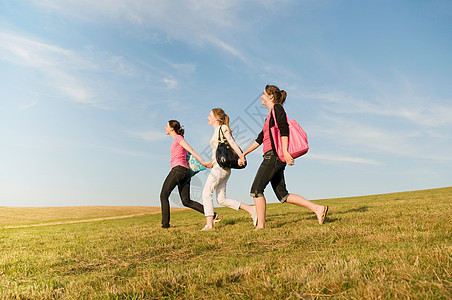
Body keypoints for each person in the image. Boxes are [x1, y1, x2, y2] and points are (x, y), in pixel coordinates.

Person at [238, 85, 328, 230]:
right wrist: (243, 153)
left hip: (273, 156)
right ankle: (318, 209)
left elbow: (284, 129)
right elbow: (260, 138)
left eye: (263, 94)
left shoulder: (277, 109)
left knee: (256, 190)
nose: (261, 96)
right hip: (272, 156)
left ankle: (260, 226)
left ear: (271, 96)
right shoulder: (269, 116)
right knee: (283, 195)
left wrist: (285, 152)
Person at [201, 108, 257, 230]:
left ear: (216, 118)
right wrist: (211, 162)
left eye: (210, 115)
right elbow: (217, 151)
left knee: (206, 192)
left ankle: (210, 225)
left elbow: (232, 142)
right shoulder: (216, 131)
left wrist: (242, 156)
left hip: (220, 168)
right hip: (220, 167)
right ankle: (251, 209)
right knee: (221, 199)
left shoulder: (222, 128)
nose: (207, 117)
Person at [160, 120, 219, 228]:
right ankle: (213, 215)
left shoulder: (178, 138)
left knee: (163, 195)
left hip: (178, 170)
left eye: (166, 126)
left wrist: (203, 162)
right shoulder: (177, 139)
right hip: (185, 172)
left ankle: (165, 225)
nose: (165, 128)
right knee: (186, 201)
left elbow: (191, 150)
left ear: (172, 128)